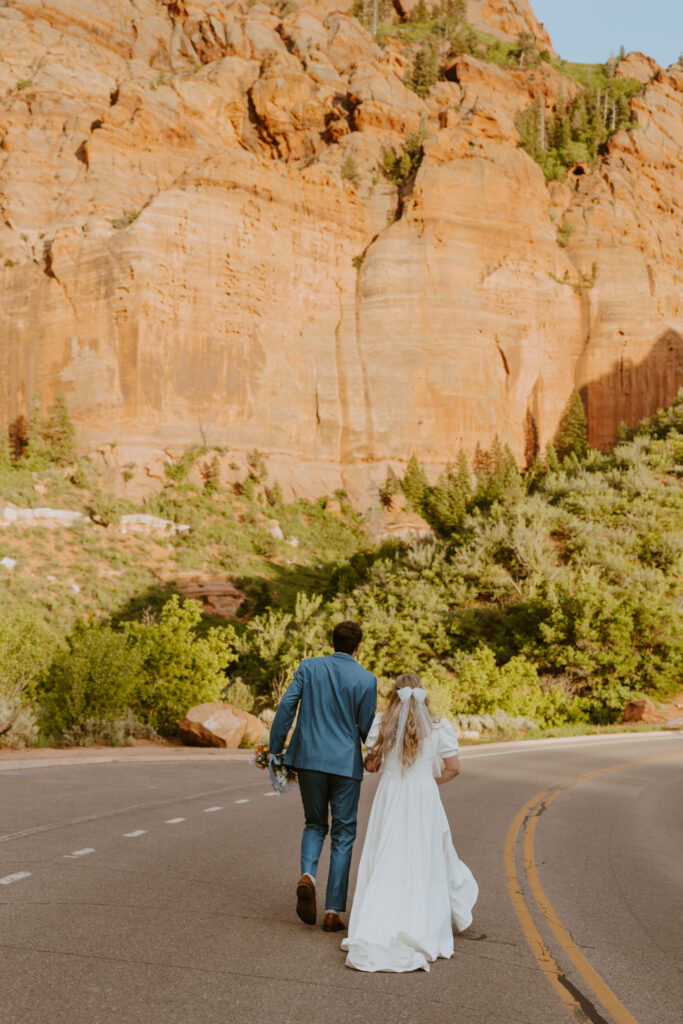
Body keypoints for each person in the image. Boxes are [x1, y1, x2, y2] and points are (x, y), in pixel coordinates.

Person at [341, 673, 479, 972]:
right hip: (423, 798)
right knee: (422, 856)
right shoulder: (440, 727)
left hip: (390, 795)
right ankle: (421, 916)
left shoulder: (382, 724)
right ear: (424, 695)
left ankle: (377, 917)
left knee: (385, 852)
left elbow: (371, 765)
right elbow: (454, 768)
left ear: (394, 696)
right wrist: (427, 782)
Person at [268, 620, 377, 933]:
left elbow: (287, 705)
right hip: (345, 765)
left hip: (309, 760)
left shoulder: (309, 667)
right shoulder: (367, 680)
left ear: (332, 641)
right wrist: (375, 754)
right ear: (358, 646)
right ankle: (332, 910)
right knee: (343, 833)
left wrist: (276, 751)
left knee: (315, 823)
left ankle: (308, 876)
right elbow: (367, 728)